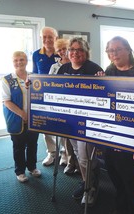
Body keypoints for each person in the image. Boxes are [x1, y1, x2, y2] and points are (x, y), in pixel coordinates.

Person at [99, 36, 134, 214]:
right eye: (110, 50)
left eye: (118, 49)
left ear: (128, 50)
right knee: (113, 172)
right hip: (111, 133)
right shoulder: (109, 70)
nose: (114, 54)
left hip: (132, 136)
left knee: (131, 179)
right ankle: (121, 206)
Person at [57, 37, 103, 206]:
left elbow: (103, 94)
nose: (75, 53)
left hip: (87, 122)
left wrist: (103, 81)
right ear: (68, 52)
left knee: (85, 158)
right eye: (72, 49)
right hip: (70, 120)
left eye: (79, 50)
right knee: (77, 153)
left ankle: (90, 187)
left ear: (85, 52)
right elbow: (55, 89)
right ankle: (87, 182)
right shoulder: (63, 68)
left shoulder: (94, 68)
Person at [2, 51, 41, 183]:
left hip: (34, 118)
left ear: (26, 61)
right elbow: (6, 101)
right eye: (16, 60)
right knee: (18, 146)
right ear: (12, 62)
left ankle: (32, 167)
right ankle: (20, 171)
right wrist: (23, 114)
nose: (19, 62)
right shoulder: (7, 79)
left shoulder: (35, 77)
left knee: (32, 144)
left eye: (22, 59)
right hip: (16, 119)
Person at [48, 38, 80, 175]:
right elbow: (49, 84)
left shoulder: (77, 64)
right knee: (66, 136)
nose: (62, 52)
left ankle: (79, 163)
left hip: (76, 105)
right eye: (59, 50)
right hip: (61, 104)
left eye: (64, 49)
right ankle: (69, 161)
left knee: (76, 136)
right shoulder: (55, 67)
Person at [32, 26, 61, 166]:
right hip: (43, 95)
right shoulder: (36, 54)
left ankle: (66, 154)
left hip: (61, 95)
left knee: (63, 123)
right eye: (44, 37)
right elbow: (34, 73)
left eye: (50, 37)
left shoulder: (62, 53)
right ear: (41, 38)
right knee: (46, 124)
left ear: (56, 38)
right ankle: (52, 152)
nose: (47, 39)